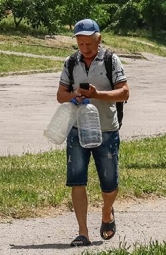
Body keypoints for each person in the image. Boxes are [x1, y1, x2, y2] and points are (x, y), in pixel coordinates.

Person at [57, 18, 130, 247]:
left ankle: (107, 212)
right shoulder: (70, 62)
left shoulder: (110, 60)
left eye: (89, 43)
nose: (85, 49)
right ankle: (83, 232)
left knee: (109, 182)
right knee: (77, 181)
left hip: (107, 129)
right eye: (81, 44)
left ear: (99, 39)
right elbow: (60, 95)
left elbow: (125, 92)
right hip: (78, 129)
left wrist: (98, 95)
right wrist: (74, 96)